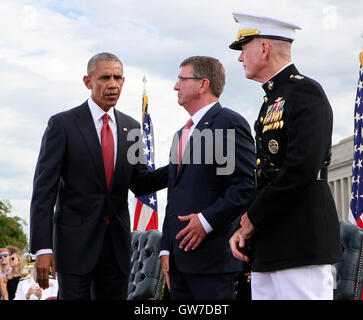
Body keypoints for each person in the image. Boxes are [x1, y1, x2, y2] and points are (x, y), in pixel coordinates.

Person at [29, 52, 168, 300]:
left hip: (116, 248)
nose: (113, 84)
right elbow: (44, 190)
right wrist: (42, 247)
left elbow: (140, 183)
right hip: (73, 246)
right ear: (87, 81)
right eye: (105, 77)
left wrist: (179, 167)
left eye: (118, 78)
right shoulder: (62, 125)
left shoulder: (133, 128)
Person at [228, 12, 343, 300]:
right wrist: (246, 226)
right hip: (271, 242)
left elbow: (301, 168)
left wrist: (253, 217)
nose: (240, 58)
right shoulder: (272, 99)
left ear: (263, 49)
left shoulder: (305, 92)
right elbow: (264, 173)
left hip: (301, 242)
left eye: (244, 48)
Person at [160, 56, 256, 300]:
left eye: (182, 79)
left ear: (203, 84)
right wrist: (165, 249)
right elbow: (174, 195)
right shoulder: (180, 134)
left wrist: (206, 220)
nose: (175, 86)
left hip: (213, 264)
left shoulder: (229, 123)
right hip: (178, 264)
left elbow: (244, 186)